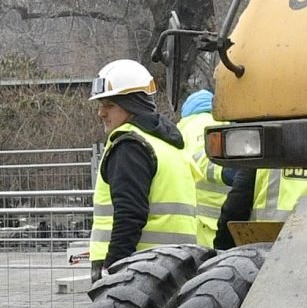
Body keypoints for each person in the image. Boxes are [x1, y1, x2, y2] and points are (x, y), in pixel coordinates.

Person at [88, 59, 210, 271]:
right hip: (177, 263)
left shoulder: (130, 146)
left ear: (131, 105)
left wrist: (113, 267)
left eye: (109, 105)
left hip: (137, 267)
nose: (101, 113)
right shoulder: (169, 144)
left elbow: (130, 214)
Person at [181, 87, 257, 242]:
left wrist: (231, 173)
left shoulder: (196, 124)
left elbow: (202, 158)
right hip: (220, 217)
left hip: (207, 222)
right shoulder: (212, 123)